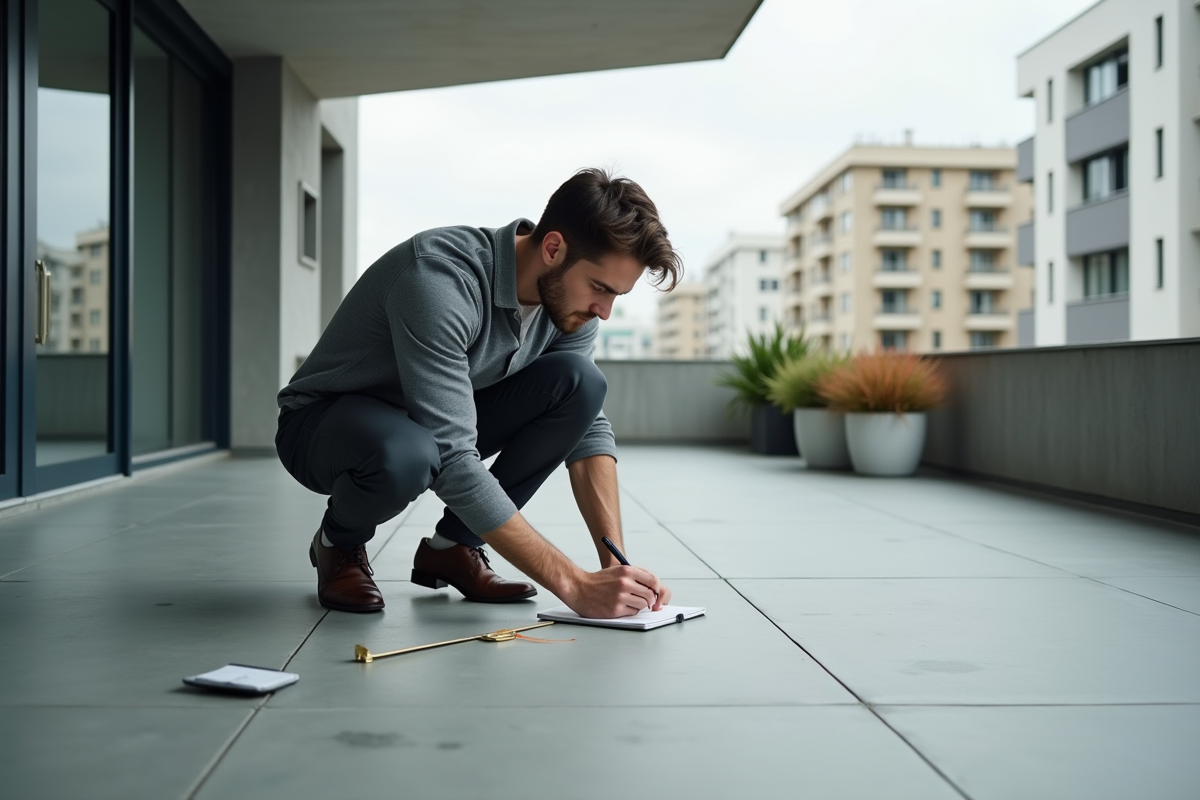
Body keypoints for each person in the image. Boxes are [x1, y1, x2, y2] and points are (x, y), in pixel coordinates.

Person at [275, 168, 681, 619]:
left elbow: (587, 428)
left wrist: (615, 566)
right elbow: (451, 456)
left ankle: (452, 549)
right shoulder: (439, 279)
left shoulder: (568, 306)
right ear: (553, 249)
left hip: (426, 423)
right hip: (322, 424)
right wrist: (574, 584)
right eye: (600, 288)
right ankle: (338, 542)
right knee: (410, 453)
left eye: (617, 295)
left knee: (582, 384)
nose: (604, 311)